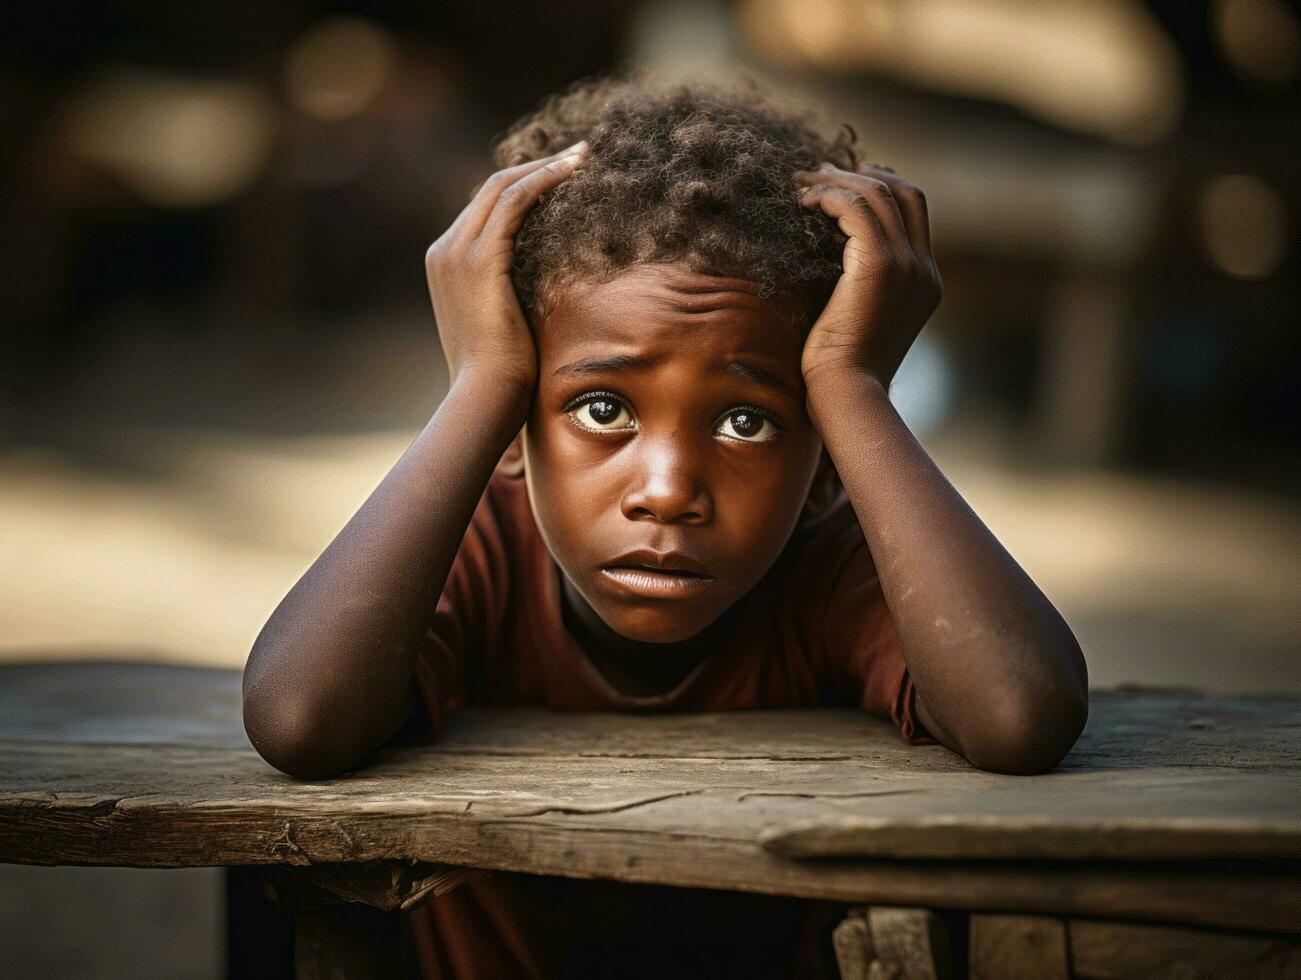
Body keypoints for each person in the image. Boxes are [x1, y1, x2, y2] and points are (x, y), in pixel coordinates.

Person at [242, 72, 1088, 979]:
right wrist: (482, 380)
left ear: (822, 466)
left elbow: (1017, 715)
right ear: (516, 429)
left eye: (746, 421)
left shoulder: (830, 569)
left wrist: (850, 382)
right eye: (602, 408)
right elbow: (299, 719)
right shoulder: (480, 549)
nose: (668, 489)